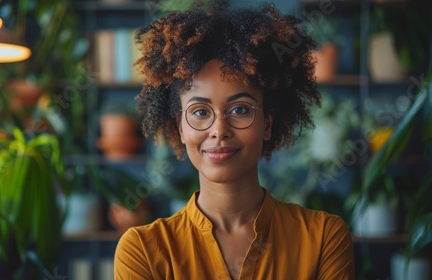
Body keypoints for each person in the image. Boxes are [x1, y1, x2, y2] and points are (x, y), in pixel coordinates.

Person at [114, 1, 355, 279]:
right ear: (180, 127)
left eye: (240, 109)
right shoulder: (142, 250)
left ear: (268, 124)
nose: (219, 129)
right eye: (200, 112)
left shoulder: (324, 239)